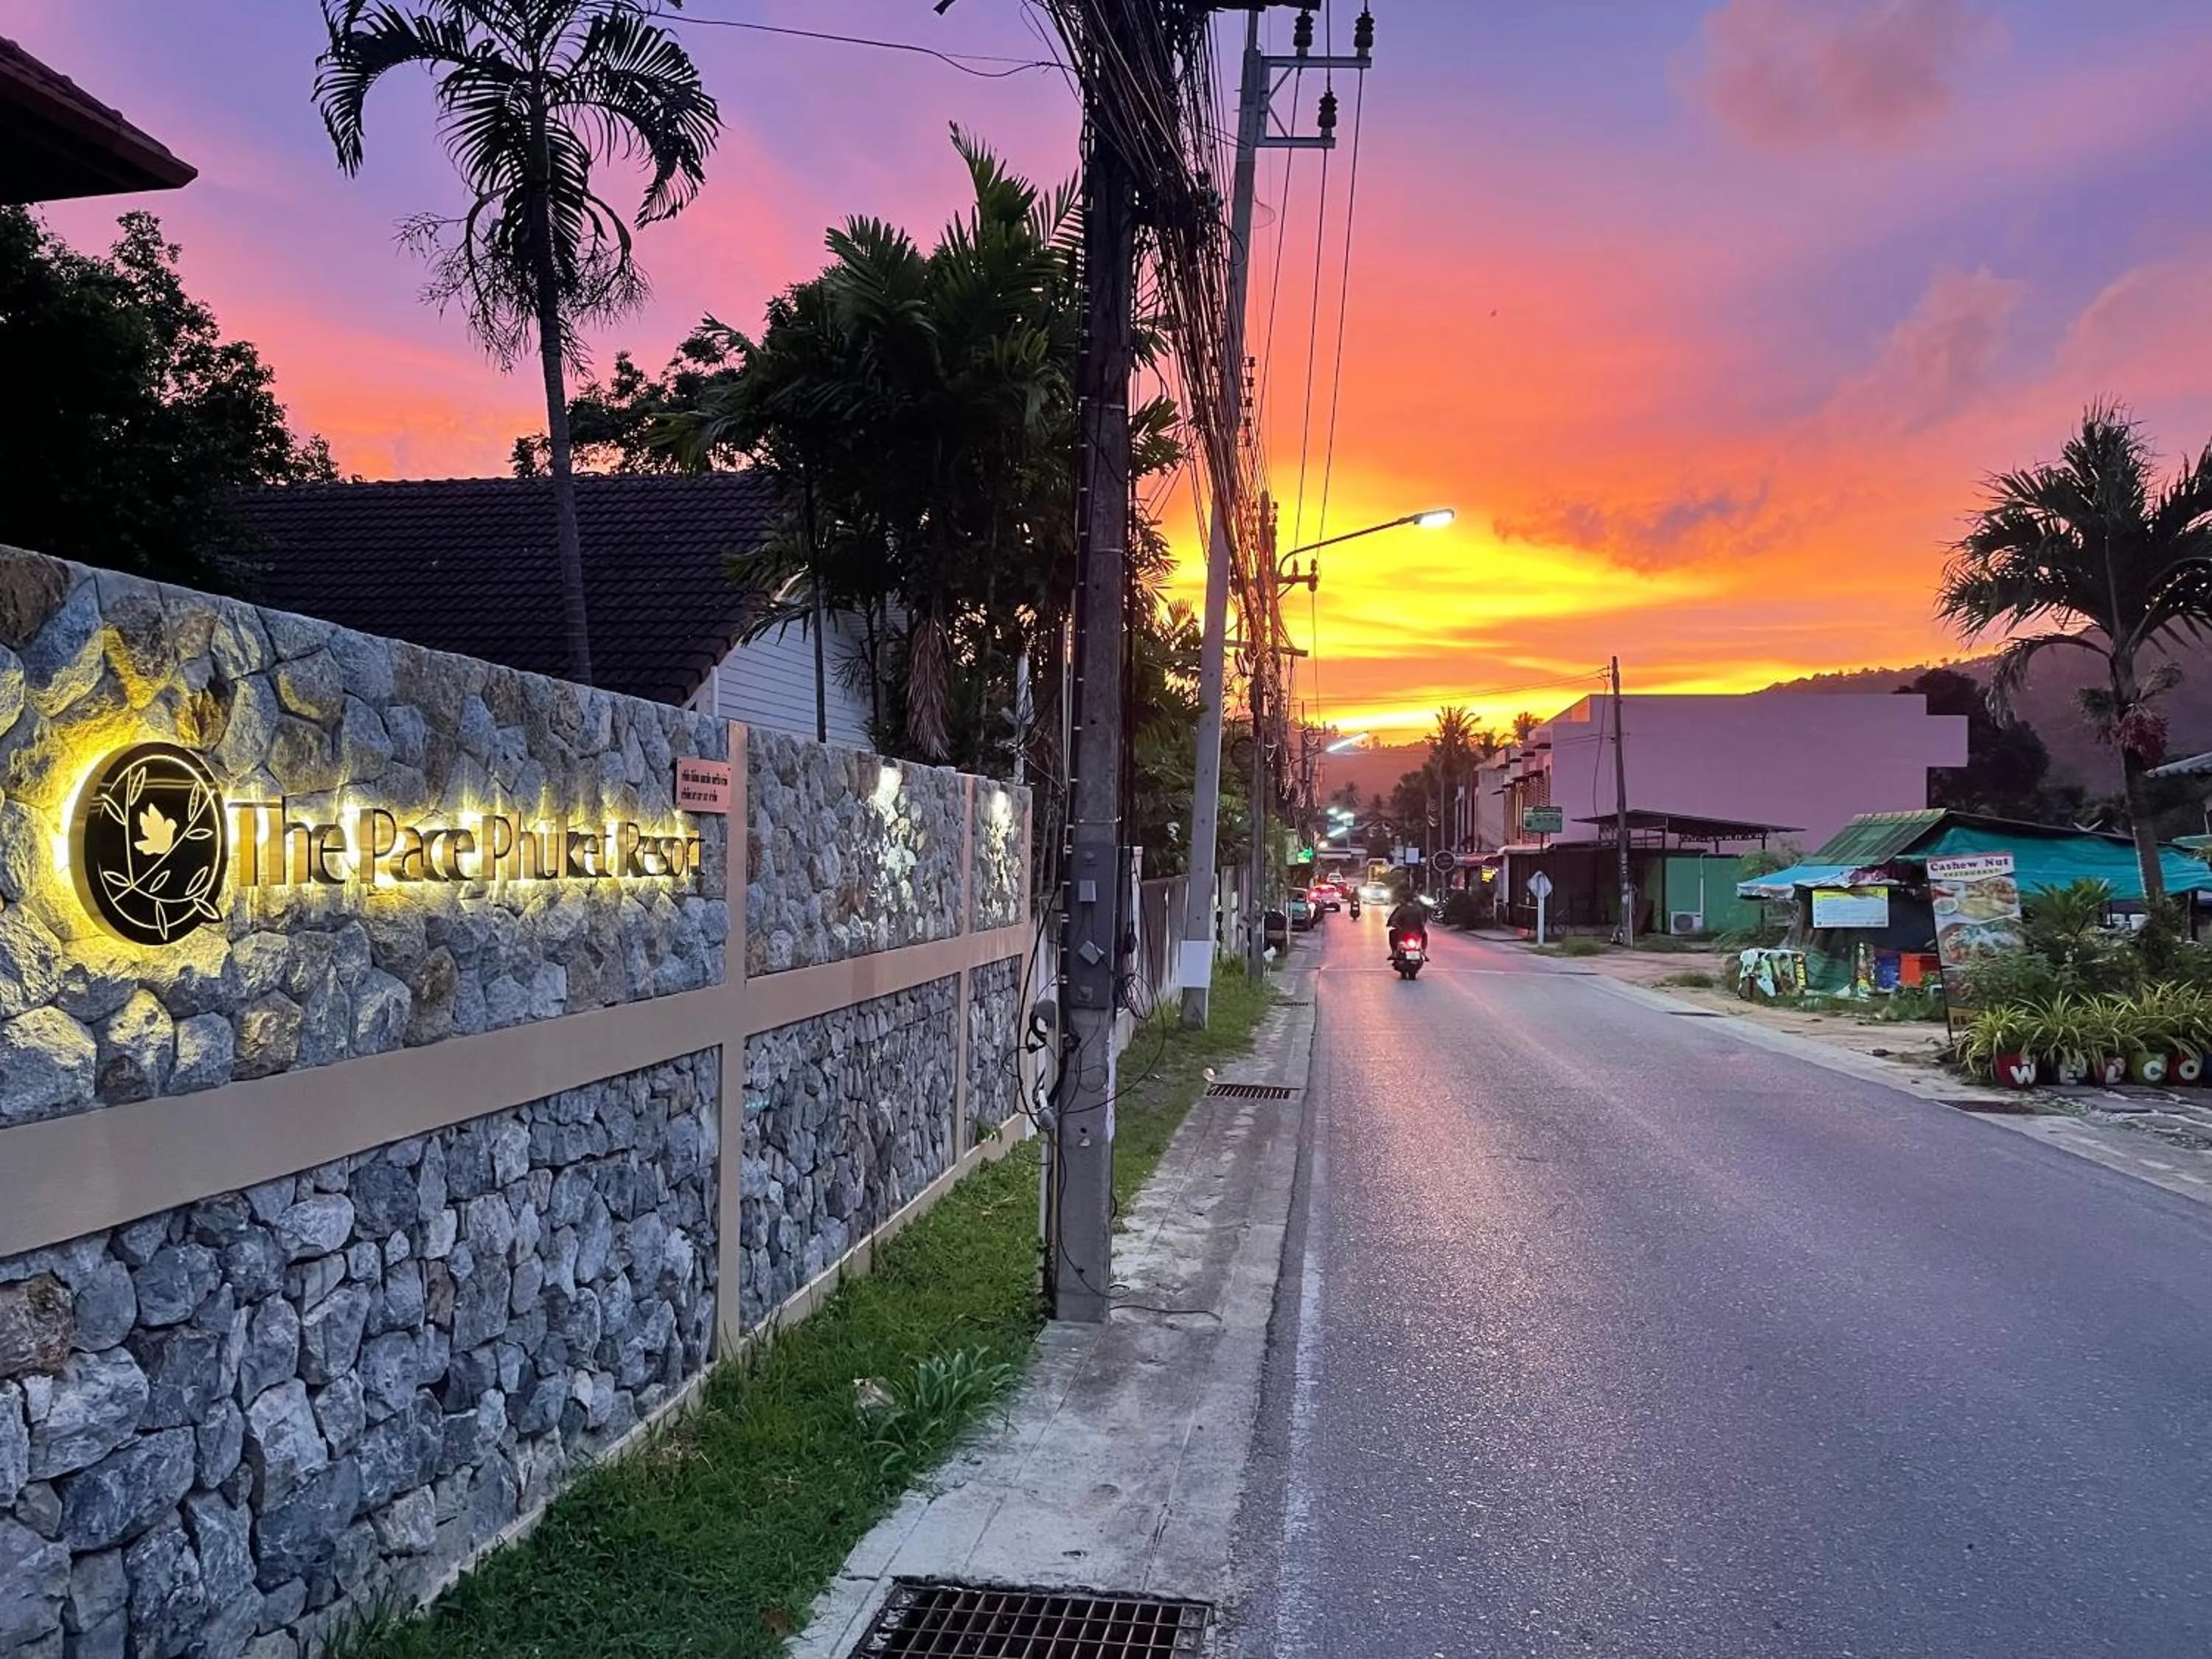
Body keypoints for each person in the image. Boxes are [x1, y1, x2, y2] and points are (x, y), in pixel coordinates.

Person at [1386, 892, 1430, 956]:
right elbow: (1423, 919)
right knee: (1425, 934)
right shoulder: (1418, 908)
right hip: (1417, 931)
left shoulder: (1402, 908)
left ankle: (1394, 952)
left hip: (1403, 931)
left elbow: (1395, 918)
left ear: (1404, 899)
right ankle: (1423, 952)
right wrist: (1422, 927)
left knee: (1392, 933)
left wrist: (1394, 924)